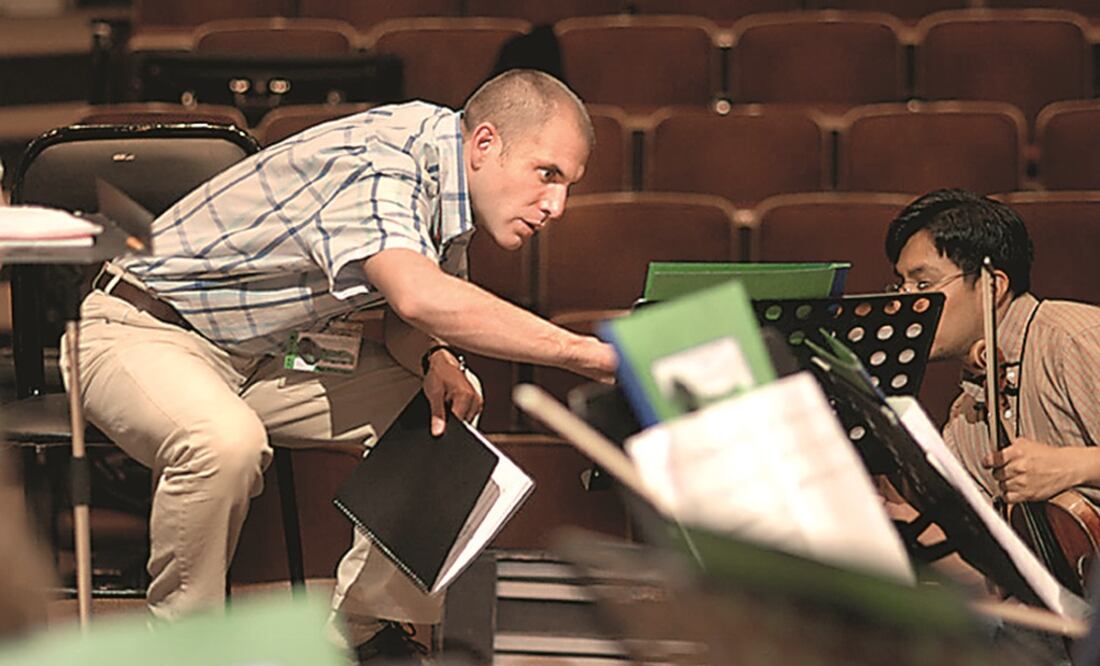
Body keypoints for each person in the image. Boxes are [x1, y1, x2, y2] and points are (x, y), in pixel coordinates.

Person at [63, 69, 617, 660]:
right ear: (485, 143)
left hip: (260, 356)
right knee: (225, 442)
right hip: (140, 329)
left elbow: (410, 320)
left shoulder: (449, 181)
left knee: (448, 401)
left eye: (568, 185)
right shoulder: (380, 165)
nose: (557, 205)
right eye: (547, 174)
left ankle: (364, 631)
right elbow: (419, 296)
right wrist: (588, 353)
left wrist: (434, 357)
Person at [885, 188, 1100, 510]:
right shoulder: (965, 418)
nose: (905, 302)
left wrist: (1077, 465)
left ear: (992, 286)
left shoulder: (1073, 338)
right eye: (901, 285)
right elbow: (983, 549)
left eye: (923, 285)